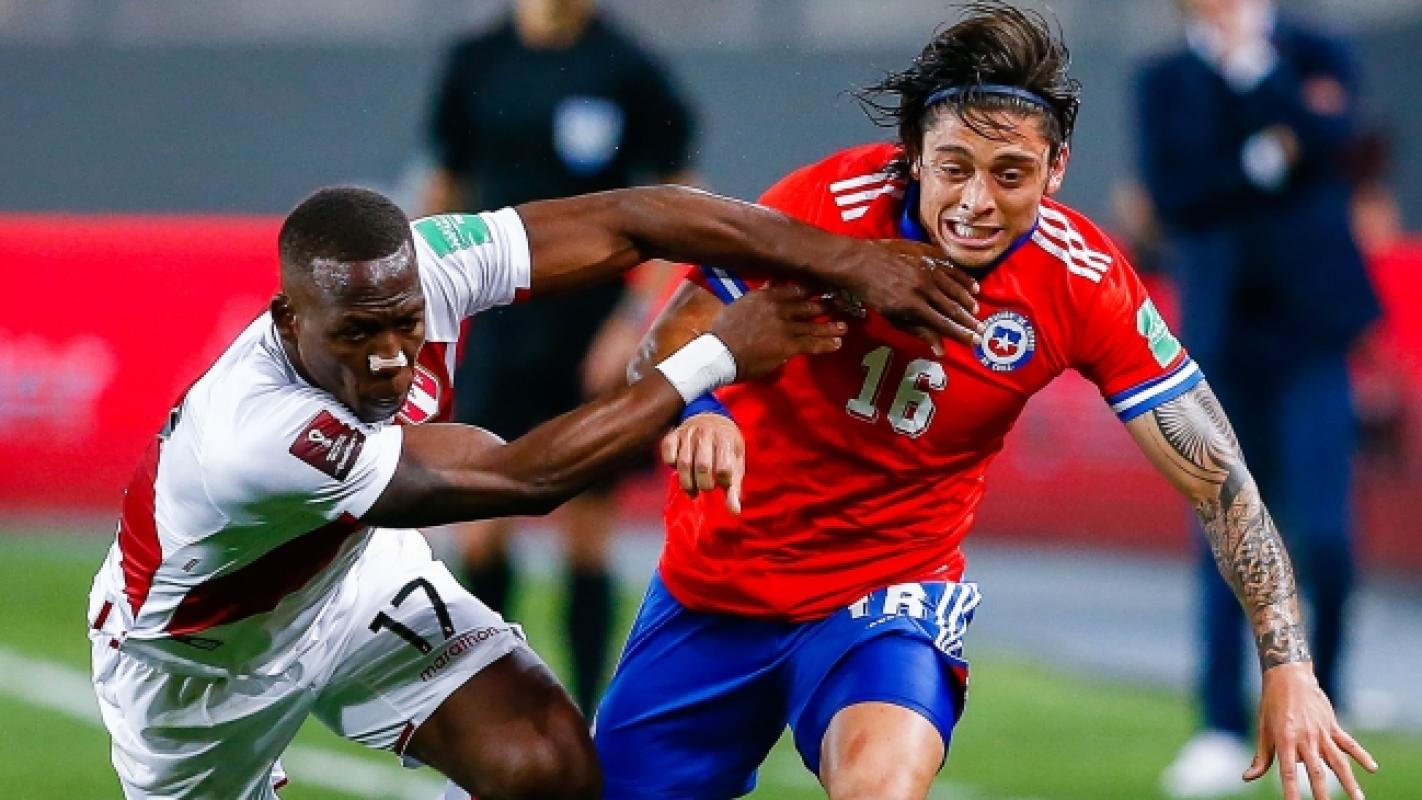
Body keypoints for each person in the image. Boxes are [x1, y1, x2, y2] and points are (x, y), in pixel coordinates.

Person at [588, 4, 1377, 800]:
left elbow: (1221, 481)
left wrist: (1290, 667)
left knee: (879, 786)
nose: (976, 202)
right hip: (719, 580)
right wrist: (701, 408)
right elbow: (664, 340)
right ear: (914, 157)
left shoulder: (1081, 281)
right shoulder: (831, 203)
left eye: (1010, 174)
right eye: (954, 167)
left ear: (1057, 169)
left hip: (889, 594)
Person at [85, 182, 985, 800]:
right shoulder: (260, 434)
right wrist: (716, 355)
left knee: (550, 767)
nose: (391, 356)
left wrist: (845, 260)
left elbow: (634, 218)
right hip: (201, 668)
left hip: (349, 581)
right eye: (357, 335)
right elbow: (523, 477)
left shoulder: (427, 265)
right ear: (289, 319)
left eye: (405, 324)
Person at [1133, 2, 1382, 795]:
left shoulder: (1313, 51)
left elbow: (1338, 145)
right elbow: (1176, 194)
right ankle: (1219, 723)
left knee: (1327, 535)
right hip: (1221, 338)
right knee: (1225, 530)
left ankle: (1328, 697)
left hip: (1312, 332)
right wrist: (1268, 153)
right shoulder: (1166, 79)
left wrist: (1257, 76)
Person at [423, 0, 699, 712]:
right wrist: (425, 296)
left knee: (587, 533)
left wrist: (637, 318)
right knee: (480, 525)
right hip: (499, 326)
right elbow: (446, 185)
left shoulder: (626, 66)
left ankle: (586, 714)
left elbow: (681, 194)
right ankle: (491, 707)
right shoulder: (477, 62)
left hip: (591, 332)